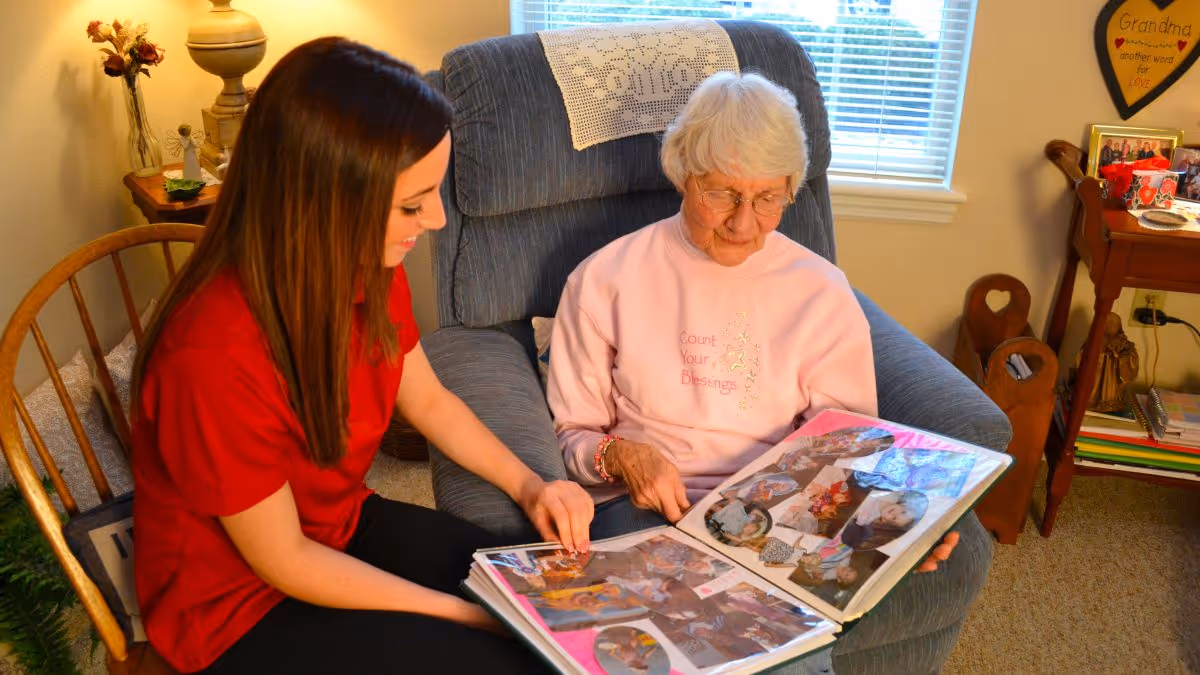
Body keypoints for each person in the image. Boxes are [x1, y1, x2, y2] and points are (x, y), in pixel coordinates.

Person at [130, 38, 593, 674]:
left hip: (339, 524)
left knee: (551, 599)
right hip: (236, 607)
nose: (434, 220)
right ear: (324, 199)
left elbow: (427, 399)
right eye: (412, 203)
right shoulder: (209, 353)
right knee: (505, 653)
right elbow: (285, 559)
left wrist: (531, 483)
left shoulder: (367, 264)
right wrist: (465, 613)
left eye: (436, 194)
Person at [546, 71, 960, 672]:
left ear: (794, 187)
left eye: (769, 198)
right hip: (642, 509)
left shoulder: (821, 293)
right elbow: (573, 435)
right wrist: (619, 455)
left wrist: (898, 524)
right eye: (722, 194)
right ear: (683, 176)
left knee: (779, 656)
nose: (744, 223)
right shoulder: (604, 280)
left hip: (775, 519)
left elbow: (850, 449)